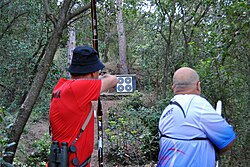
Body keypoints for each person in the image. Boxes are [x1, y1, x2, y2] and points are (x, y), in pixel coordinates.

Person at [49, 45, 118, 167]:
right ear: (92, 73)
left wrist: (98, 77)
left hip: (62, 160)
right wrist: (102, 76)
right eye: (97, 72)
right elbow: (113, 80)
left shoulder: (62, 86)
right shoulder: (79, 89)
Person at [157, 67, 236, 167]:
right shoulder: (199, 105)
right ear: (198, 86)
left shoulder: (166, 113)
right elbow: (228, 139)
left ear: (173, 88)